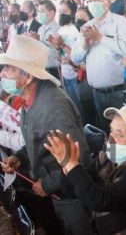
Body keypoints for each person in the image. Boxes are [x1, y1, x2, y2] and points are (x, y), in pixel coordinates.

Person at [0, 35, 93, 234]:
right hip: (58, 190)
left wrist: (48, 184)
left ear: (28, 76)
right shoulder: (28, 99)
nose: (2, 75)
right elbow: (39, 139)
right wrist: (20, 158)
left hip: (70, 195)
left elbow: (80, 156)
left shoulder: (52, 107)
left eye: (9, 69)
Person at [44, 105, 126, 235]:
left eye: (120, 135)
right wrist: (67, 165)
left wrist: (72, 164)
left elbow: (100, 201)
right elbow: (71, 190)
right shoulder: (108, 158)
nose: (111, 139)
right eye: (111, 130)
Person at [71, 0, 126, 131]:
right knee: (108, 131)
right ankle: (110, 154)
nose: (93, 3)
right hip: (97, 93)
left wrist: (100, 38)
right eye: (90, 0)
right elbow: (75, 57)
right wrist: (85, 45)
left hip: (118, 91)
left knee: (124, 132)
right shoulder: (87, 26)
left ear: (108, 1)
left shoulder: (120, 22)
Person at [49, 0, 83, 115]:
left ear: (73, 12)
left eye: (66, 11)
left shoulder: (76, 29)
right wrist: (57, 48)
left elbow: (78, 54)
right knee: (74, 107)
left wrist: (62, 45)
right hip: (65, 73)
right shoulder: (61, 29)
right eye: (61, 11)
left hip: (77, 74)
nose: (63, 14)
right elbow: (59, 53)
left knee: (82, 106)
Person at [36, 0, 61, 79]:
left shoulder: (58, 29)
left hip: (54, 69)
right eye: (38, 11)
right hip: (42, 69)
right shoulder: (40, 29)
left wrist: (38, 42)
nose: (39, 14)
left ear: (52, 13)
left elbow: (56, 53)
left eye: (42, 11)